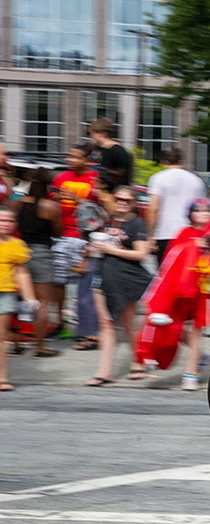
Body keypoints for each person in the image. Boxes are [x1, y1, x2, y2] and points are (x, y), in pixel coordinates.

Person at [145, 198, 210, 391]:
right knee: (176, 329)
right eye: (198, 210)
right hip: (179, 290)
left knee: (195, 331)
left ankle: (190, 374)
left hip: (203, 289)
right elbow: (170, 262)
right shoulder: (184, 233)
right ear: (190, 213)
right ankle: (200, 357)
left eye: (207, 210)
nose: (203, 213)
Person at [85, 186, 153, 386]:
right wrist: (92, 248)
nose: (122, 202)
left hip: (125, 278)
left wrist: (110, 249)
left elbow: (141, 254)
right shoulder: (106, 220)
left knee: (128, 324)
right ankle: (104, 372)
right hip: (102, 275)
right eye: (118, 199)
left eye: (126, 200)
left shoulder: (137, 223)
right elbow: (96, 244)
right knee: (105, 324)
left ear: (133, 203)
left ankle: (137, 363)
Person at [50, 143, 99, 345]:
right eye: (69, 156)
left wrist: (76, 200)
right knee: (59, 282)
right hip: (61, 236)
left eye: (76, 157)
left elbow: (99, 210)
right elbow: (51, 200)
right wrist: (55, 197)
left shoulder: (94, 178)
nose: (71, 160)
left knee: (84, 288)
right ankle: (61, 323)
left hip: (83, 238)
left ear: (86, 160)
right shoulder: (61, 177)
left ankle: (86, 330)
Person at [10, 169, 61, 357]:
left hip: (19, 251)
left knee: (16, 300)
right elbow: (57, 232)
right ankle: (40, 347)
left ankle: (15, 344)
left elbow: (10, 224)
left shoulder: (17, 203)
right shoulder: (51, 206)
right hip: (41, 254)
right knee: (43, 303)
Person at [146, 147, 207, 264]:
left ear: (164, 161)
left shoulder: (158, 178)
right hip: (191, 234)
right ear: (182, 161)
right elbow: (203, 210)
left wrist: (150, 236)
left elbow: (153, 209)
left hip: (165, 233)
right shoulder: (196, 180)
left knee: (166, 275)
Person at [0, 207, 38, 391]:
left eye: (8, 221)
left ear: (14, 224)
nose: (4, 224)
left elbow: (22, 272)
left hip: (5, 293)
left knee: (0, 337)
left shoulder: (17, 245)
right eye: (1, 220)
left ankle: (2, 377)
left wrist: (30, 297)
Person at [86, 118, 133, 191]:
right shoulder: (96, 149)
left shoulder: (118, 151)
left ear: (103, 133)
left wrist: (103, 171)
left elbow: (122, 175)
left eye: (93, 133)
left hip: (111, 193)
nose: (91, 136)